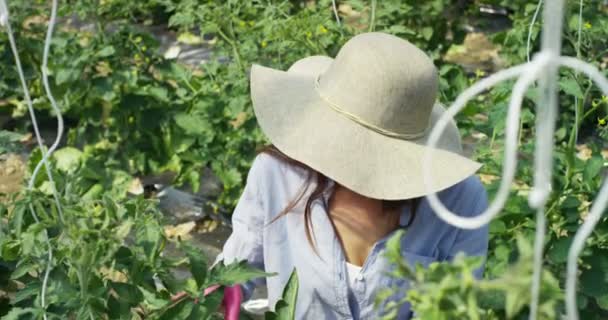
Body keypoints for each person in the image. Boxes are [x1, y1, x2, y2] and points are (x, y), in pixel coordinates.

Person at [214, 32, 489, 319]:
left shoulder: (459, 202)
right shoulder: (278, 175)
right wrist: (207, 299)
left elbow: (452, 309)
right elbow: (235, 271)